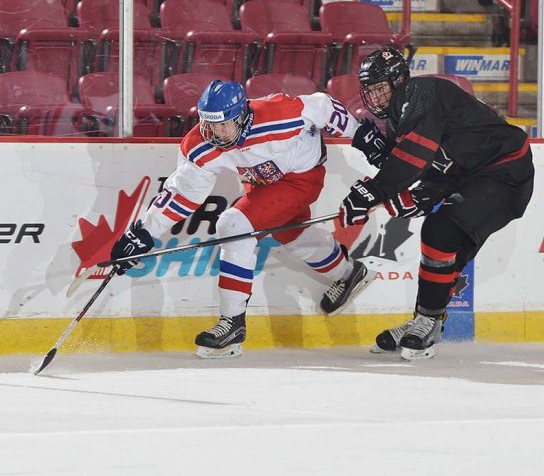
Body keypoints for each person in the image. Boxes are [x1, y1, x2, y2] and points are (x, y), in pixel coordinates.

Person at [110, 79, 376, 358]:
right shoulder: (200, 145)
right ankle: (347, 273)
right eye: (209, 124)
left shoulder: (279, 113)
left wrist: (361, 137)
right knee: (291, 233)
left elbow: (323, 106)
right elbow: (183, 193)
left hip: (301, 178)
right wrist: (142, 233)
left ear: (242, 117)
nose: (216, 132)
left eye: (224, 124)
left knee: (232, 225)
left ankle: (232, 323)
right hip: (262, 182)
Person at [338, 48, 534, 360]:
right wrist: (423, 195)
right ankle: (425, 320)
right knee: (446, 246)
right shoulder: (400, 117)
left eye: (379, 87)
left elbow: (414, 157)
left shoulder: (421, 93)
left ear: (399, 79)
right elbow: (440, 165)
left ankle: (427, 321)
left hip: (506, 171)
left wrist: (376, 190)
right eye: (370, 90)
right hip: (476, 175)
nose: (374, 97)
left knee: (440, 232)